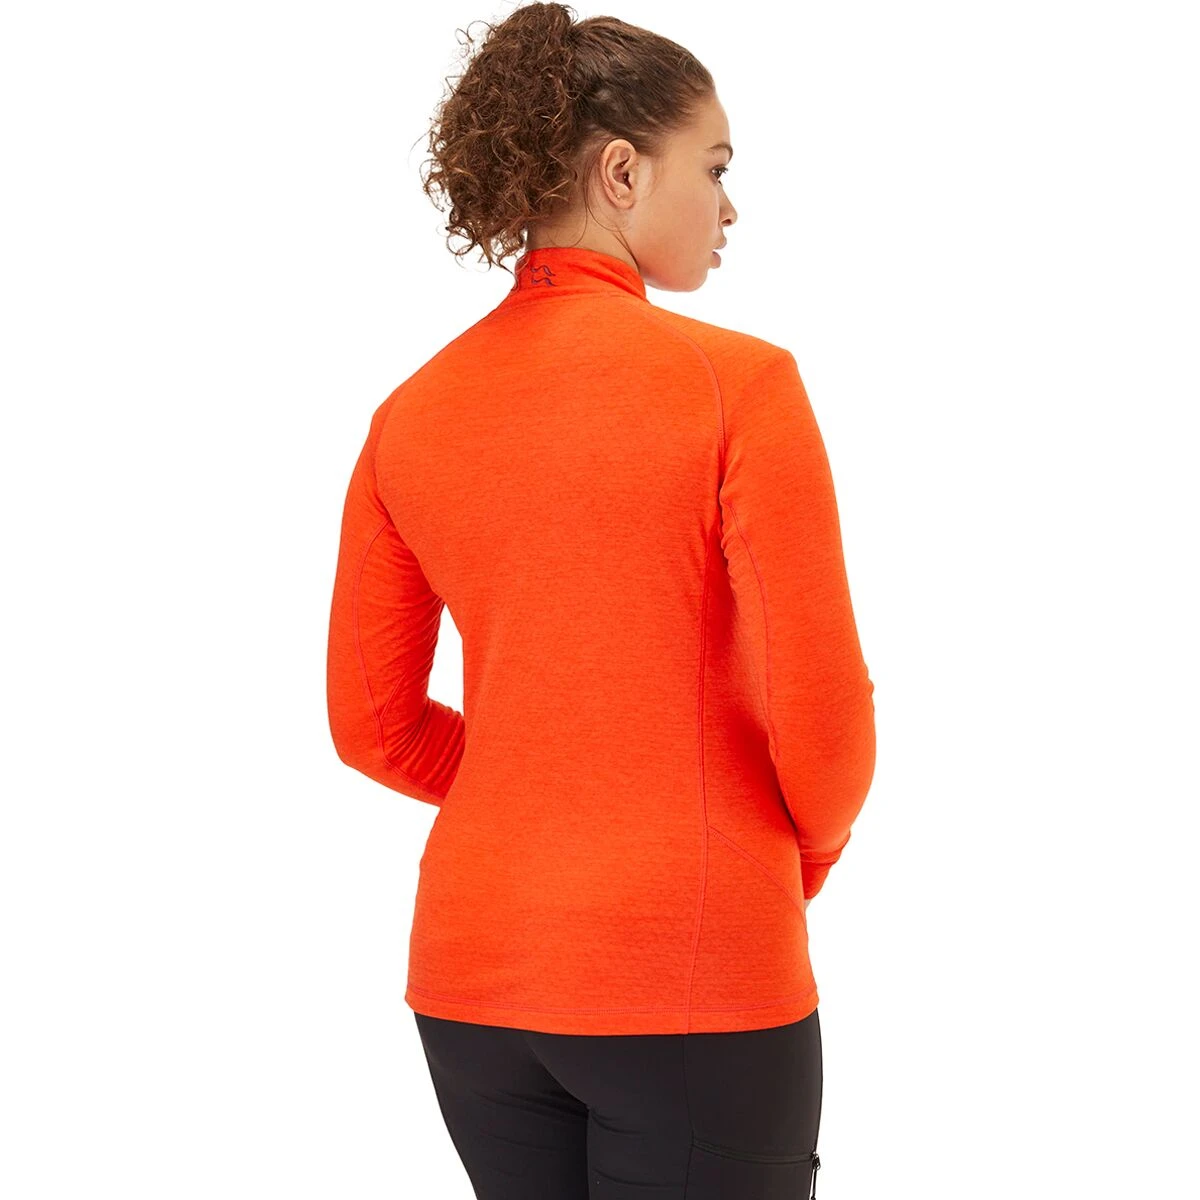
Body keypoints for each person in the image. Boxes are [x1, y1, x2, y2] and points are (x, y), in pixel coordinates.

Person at [325, 4, 876, 1196]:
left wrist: (540, 781)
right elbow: (824, 725)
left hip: (472, 983)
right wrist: (785, 858)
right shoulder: (739, 387)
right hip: (690, 977)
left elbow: (373, 727)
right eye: (715, 168)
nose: (730, 208)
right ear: (622, 172)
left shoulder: (409, 416)